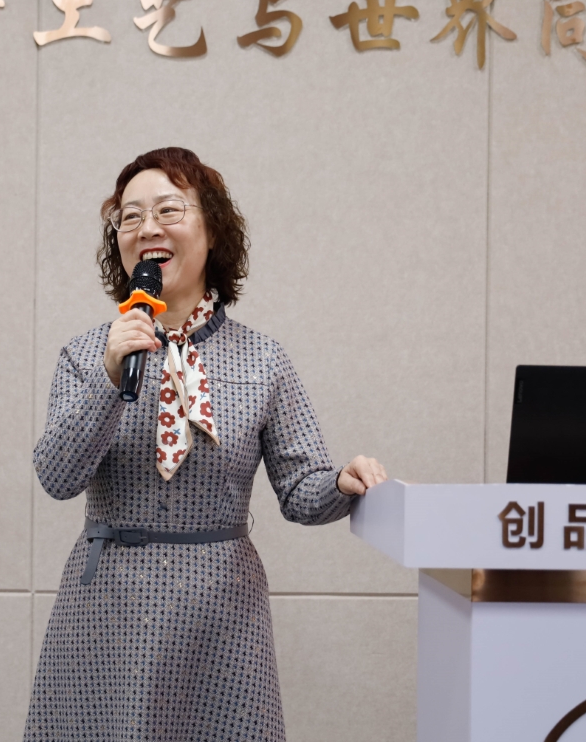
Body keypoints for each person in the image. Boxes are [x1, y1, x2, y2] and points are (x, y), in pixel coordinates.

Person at [24, 147, 388, 741]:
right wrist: (111, 376)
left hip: (222, 610)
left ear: (213, 229)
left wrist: (341, 484)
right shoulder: (89, 353)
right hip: (106, 609)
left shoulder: (263, 358)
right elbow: (57, 477)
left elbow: (302, 490)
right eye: (130, 217)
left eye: (169, 209)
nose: (148, 228)